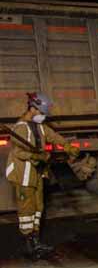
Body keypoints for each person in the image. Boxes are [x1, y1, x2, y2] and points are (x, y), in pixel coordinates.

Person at [5, 92, 79, 259]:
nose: (43, 117)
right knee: (26, 210)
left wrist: (67, 146)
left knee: (38, 207)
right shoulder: (20, 128)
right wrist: (36, 156)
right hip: (23, 175)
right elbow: (18, 152)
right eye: (42, 113)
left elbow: (52, 136)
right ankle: (29, 244)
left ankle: (36, 241)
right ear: (32, 109)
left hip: (37, 174)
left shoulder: (38, 126)